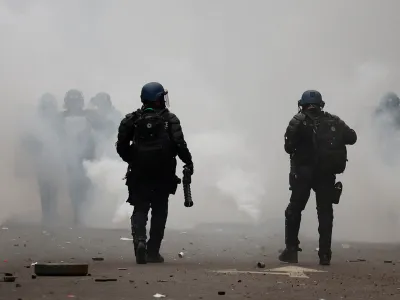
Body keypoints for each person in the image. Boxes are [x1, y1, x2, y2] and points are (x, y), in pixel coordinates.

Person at [116, 82, 194, 264]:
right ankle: (152, 251)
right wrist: (189, 162)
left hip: (139, 173)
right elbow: (180, 144)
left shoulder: (131, 119)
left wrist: (133, 160)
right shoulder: (170, 119)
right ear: (159, 98)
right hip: (164, 173)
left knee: (140, 208)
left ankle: (140, 241)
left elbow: (120, 146)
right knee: (160, 210)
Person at [279, 90, 357, 266]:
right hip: (326, 174)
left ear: (303, 104)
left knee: (294, 210)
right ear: (321, 104)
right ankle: (325, 255)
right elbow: (352, 137)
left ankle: (291, 251)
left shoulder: (297, 121)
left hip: (303, 174)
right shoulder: (334, 121)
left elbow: (288, 147)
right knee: (325, 212)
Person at [61, 89, 95, 225]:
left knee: (86, 187)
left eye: (76, 101)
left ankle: (85, 213)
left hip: (87, 157)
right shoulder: (61, 117)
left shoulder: (90, 116)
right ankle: (77, 214)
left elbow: (103, 128)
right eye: (71, 101)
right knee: (74, 186)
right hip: (70, 157)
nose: (74, 104)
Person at [88, 92, 123, 158]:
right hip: (95, 146)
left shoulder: (115, 114)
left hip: (111, 145)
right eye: (99, 103)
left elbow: (116, 129)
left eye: (103, 103)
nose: (101, 105)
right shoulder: (93, 114)